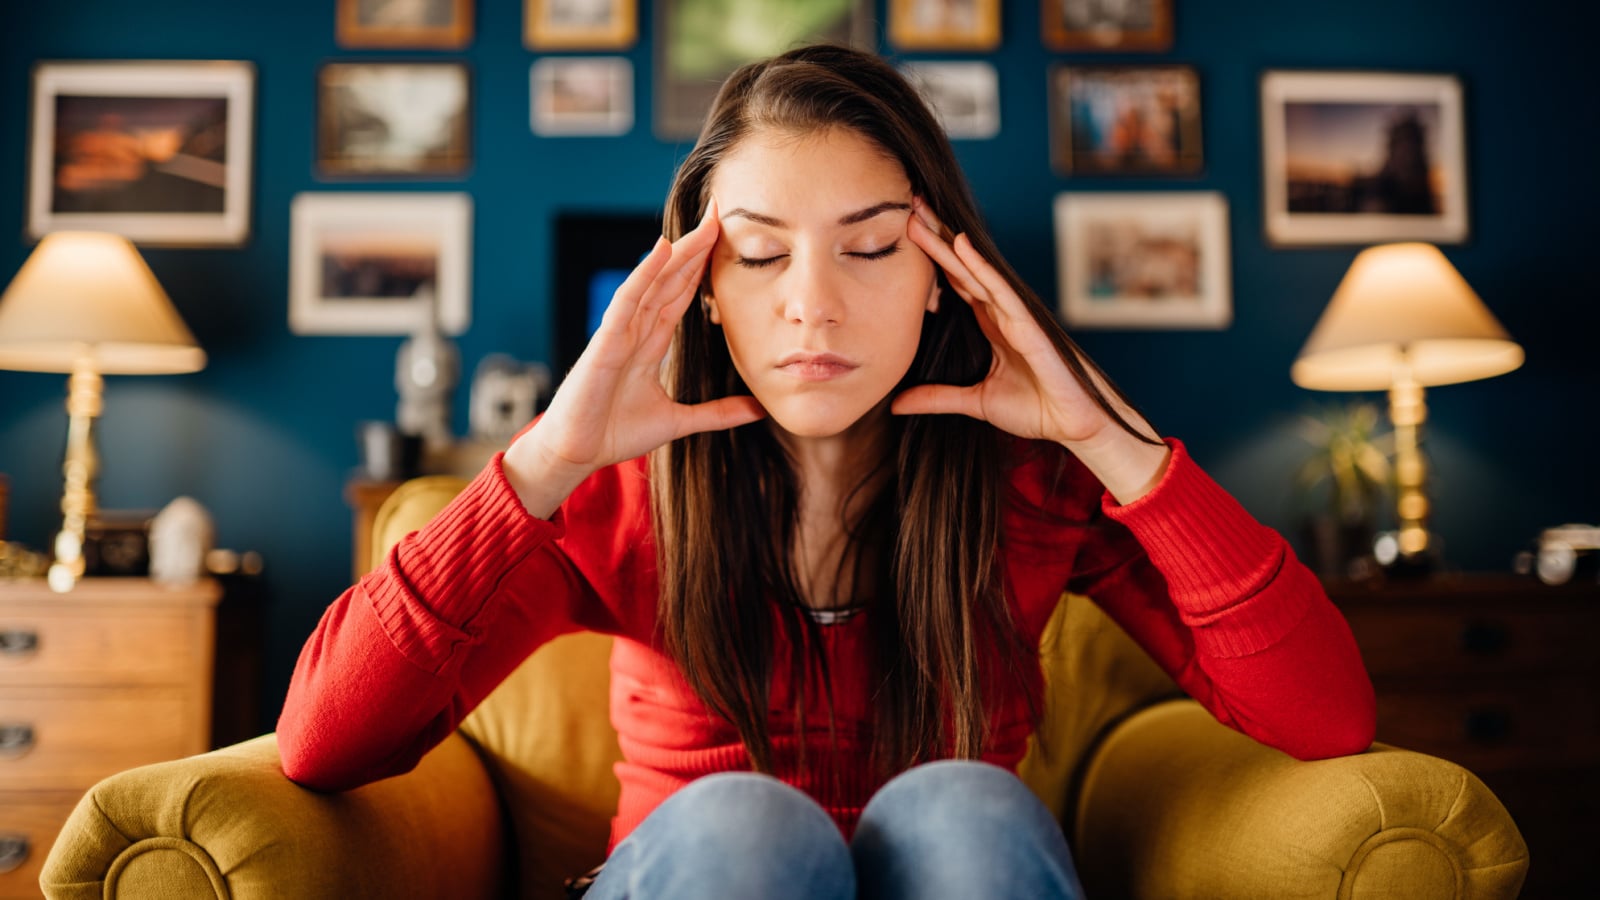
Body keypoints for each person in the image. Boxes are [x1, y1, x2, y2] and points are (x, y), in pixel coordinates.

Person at [278, 43, 1376, 899]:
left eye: (870, 246)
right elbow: (325, 741)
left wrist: (1110, 442)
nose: (813, 302)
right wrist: (544, 460)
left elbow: (1324, 720)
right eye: (759, 255)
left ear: (945, 275)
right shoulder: (613, 494)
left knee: (962, 809)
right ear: (705, 286)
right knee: (745, 822)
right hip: (695, 876)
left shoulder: (1035, 490)